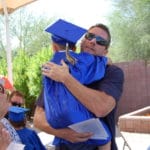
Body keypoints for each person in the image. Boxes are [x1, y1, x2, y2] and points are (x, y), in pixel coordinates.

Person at [34, 22, 124, 150]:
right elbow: (38, 118)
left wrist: (66, 78)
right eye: (90, 36)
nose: (93, 41)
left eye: (101, 42)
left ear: (105, 52)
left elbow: (101, 108)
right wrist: (63, 133)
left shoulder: (112, 72)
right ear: (82, 40)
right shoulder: (58, 68)